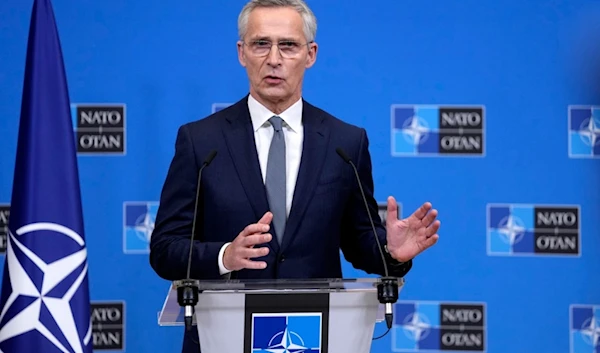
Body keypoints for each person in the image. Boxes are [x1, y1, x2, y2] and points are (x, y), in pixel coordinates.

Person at [149, 0, 440, 352]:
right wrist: (225, 255)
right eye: (261, 44)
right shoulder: (201, 141)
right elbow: (165, 249)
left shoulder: (345, 142)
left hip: (314, 336)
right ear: (242, 53)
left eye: (288, 45)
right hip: (222, 338)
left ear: (310, 54)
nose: (274, 59)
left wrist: (392, 253)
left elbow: (359, 240)